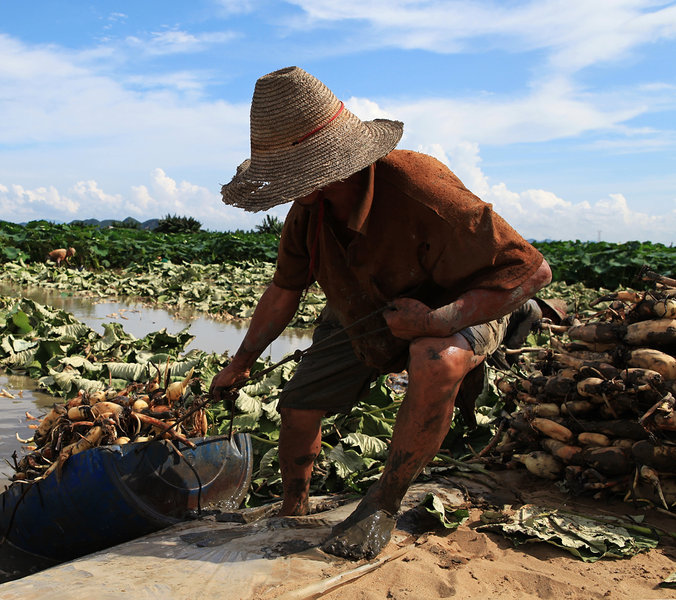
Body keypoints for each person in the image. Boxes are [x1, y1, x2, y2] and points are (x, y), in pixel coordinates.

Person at [210, 66, 552, 560]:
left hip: (465, 301)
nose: (293, 187)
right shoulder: (310, 209)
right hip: (365, 309)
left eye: (299, 170)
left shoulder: (420, 186)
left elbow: (530, 269)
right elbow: (285, 288)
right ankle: (293, 505)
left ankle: (383, 503)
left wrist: (442, 320)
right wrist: (240, 362)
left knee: (436, 359)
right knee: (298, 406)